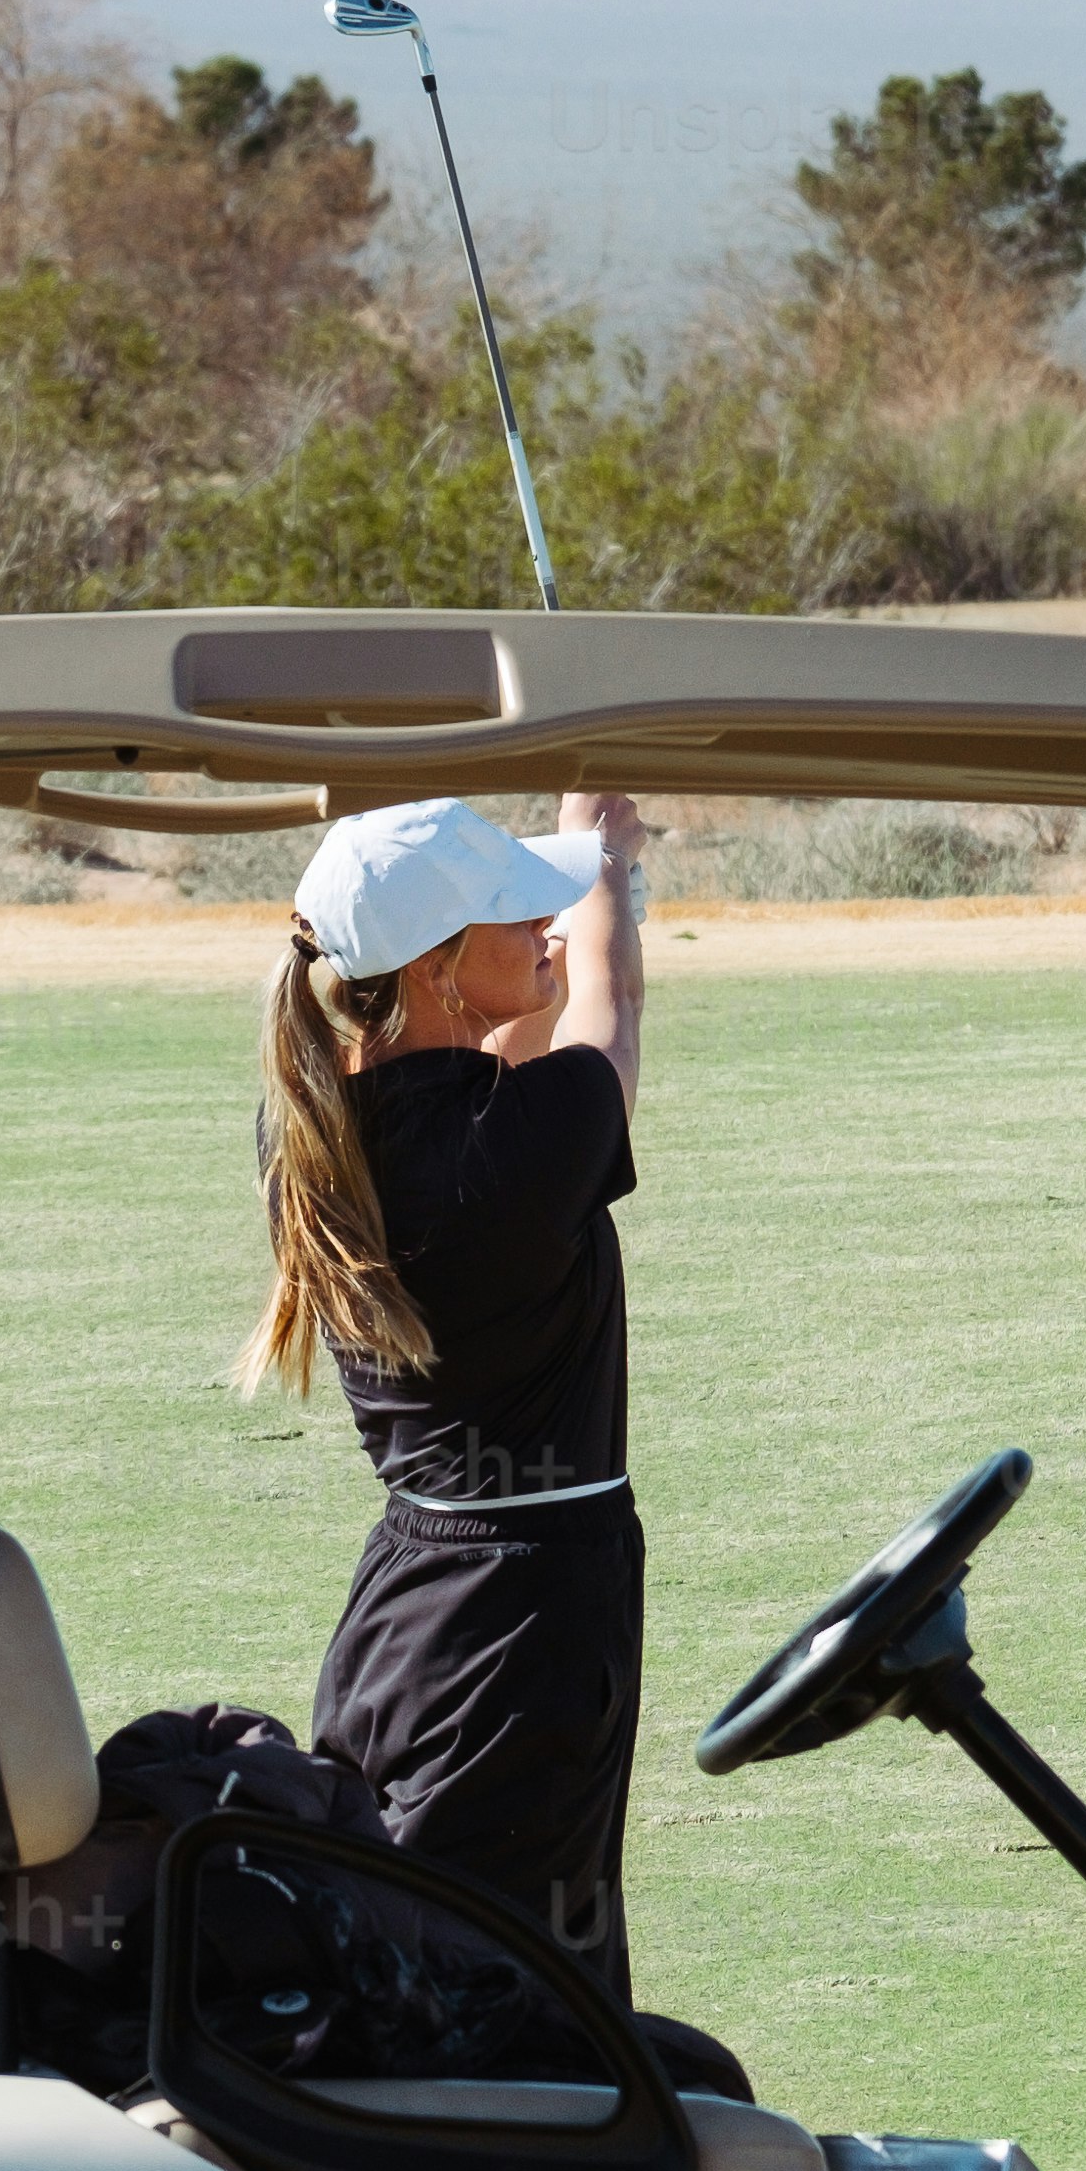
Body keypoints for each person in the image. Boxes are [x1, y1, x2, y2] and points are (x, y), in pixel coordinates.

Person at [241, 785, 654, 1991]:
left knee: (410, 1950)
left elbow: (507, 1059)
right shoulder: (529, 1134)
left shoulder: (314, 1136)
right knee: (502, 1992)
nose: (545, 928)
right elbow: (605, 1009)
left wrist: (577, 880)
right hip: (519, 1635)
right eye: (513, 916)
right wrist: (613, 867)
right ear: (429, 969)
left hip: (415, 1613)